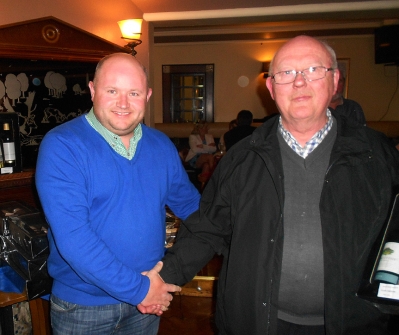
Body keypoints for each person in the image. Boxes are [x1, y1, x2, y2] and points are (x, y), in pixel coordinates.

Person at [156, 36, 399, 334]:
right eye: (286, 73)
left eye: (312, 69)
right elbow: (207, 228)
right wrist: (162, 278)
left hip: (355, 324)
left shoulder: (376, 154)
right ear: (271, 88)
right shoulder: (243, 157)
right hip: (257, 324)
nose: (299, 82)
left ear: (335, 80)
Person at [35, 53, 200, 335]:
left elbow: (194, 209)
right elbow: (75, 240)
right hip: (84, 308)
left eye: (133, 93)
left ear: (147, 95)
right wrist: (141, 291)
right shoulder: (63, 146)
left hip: (147, 300)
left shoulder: (160, 145)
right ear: (93, 91)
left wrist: (237, 235)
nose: (123, 103)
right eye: (112, 91)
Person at [328, 61, 366, 126]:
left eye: (339, 81)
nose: (335, 85)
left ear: (344, 83)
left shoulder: (353, 108)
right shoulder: (316, 108)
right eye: (332, 81)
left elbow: (363, 133)